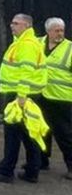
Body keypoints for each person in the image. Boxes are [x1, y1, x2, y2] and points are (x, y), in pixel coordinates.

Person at [0, 13, 47, 183]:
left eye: (16, 23)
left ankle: (6, 171)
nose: (12, 26)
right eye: (12, 22)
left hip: (19, 94)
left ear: (26, 26)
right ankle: (32, 171)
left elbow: (26, 72)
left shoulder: (26, 45)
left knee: (12, 134)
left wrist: (21, 96)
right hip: (28, 94)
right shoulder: (26, 42)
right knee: (28, 133)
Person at [38, 17, 72, 179]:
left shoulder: (70, 48)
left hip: (61, 99)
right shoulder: (37, 44)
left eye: (61, 30)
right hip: (39, 96)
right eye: (56, 30)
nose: (59, 33)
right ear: (48, 31)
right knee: (40, 130)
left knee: (65, 135)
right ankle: (41, 161)